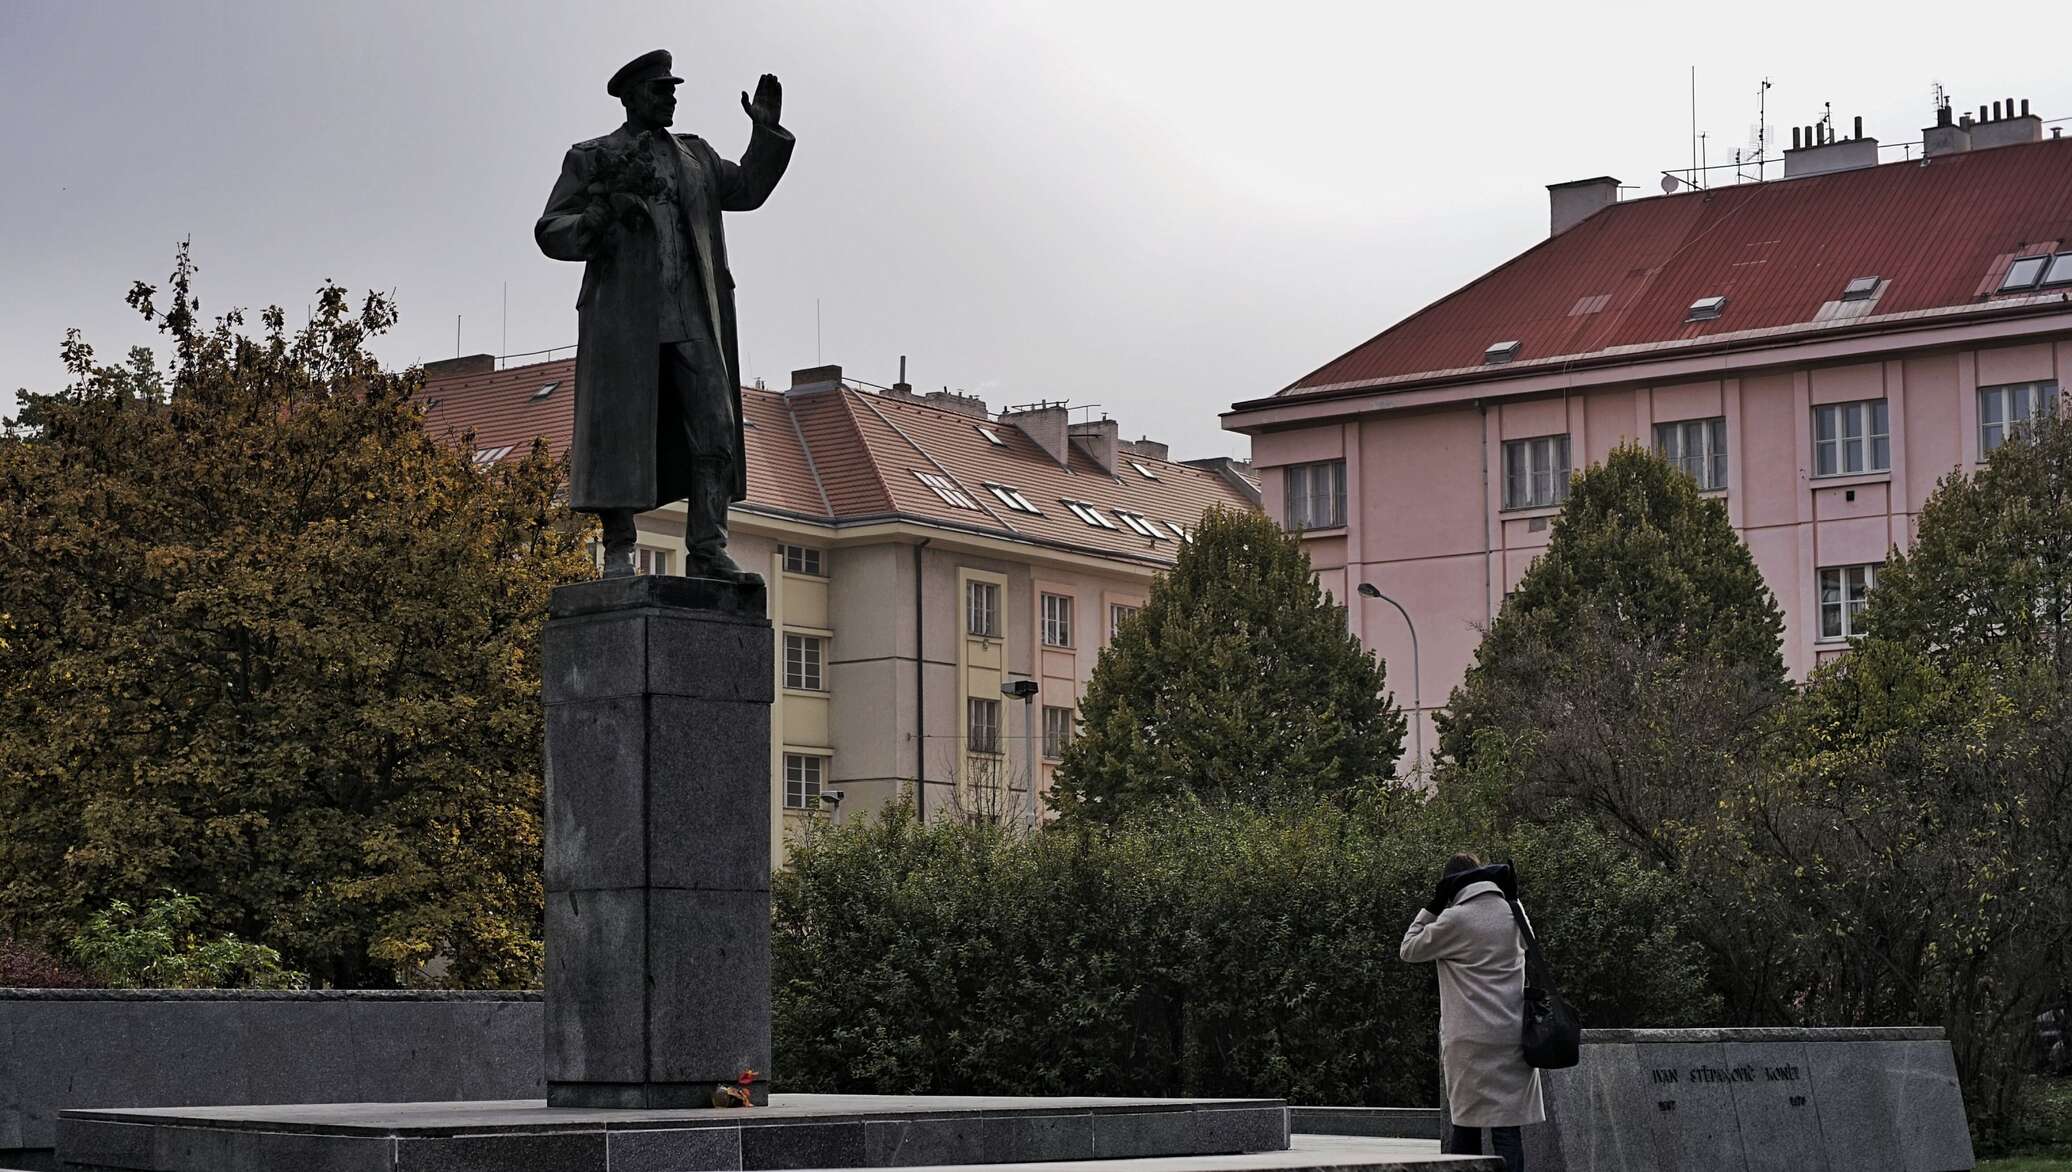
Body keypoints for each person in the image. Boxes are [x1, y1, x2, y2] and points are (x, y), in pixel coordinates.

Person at [536, 49, 795, 582]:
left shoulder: (696, 156)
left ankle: (706, 548)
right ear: (632, 97)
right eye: (660, 90)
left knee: (717, 429)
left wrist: (765, 135)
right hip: (624, 321)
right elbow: (550, 228)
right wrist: (598, 217)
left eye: (673, 88)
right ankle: (618, 551)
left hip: (694, 315)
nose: (671, 97)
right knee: (620, 435)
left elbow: (746, 189)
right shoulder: (594, 157)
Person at [1399, 852, 1544, 1172]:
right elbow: (1529, 944)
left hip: (1469, 1042)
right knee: (1508, 1128)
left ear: (1452, 886)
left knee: (1466, 1125)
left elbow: (1408, 948)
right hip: (1512, 1036)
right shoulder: (1514, 911)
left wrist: (1433, 906)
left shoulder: (1455, 919)